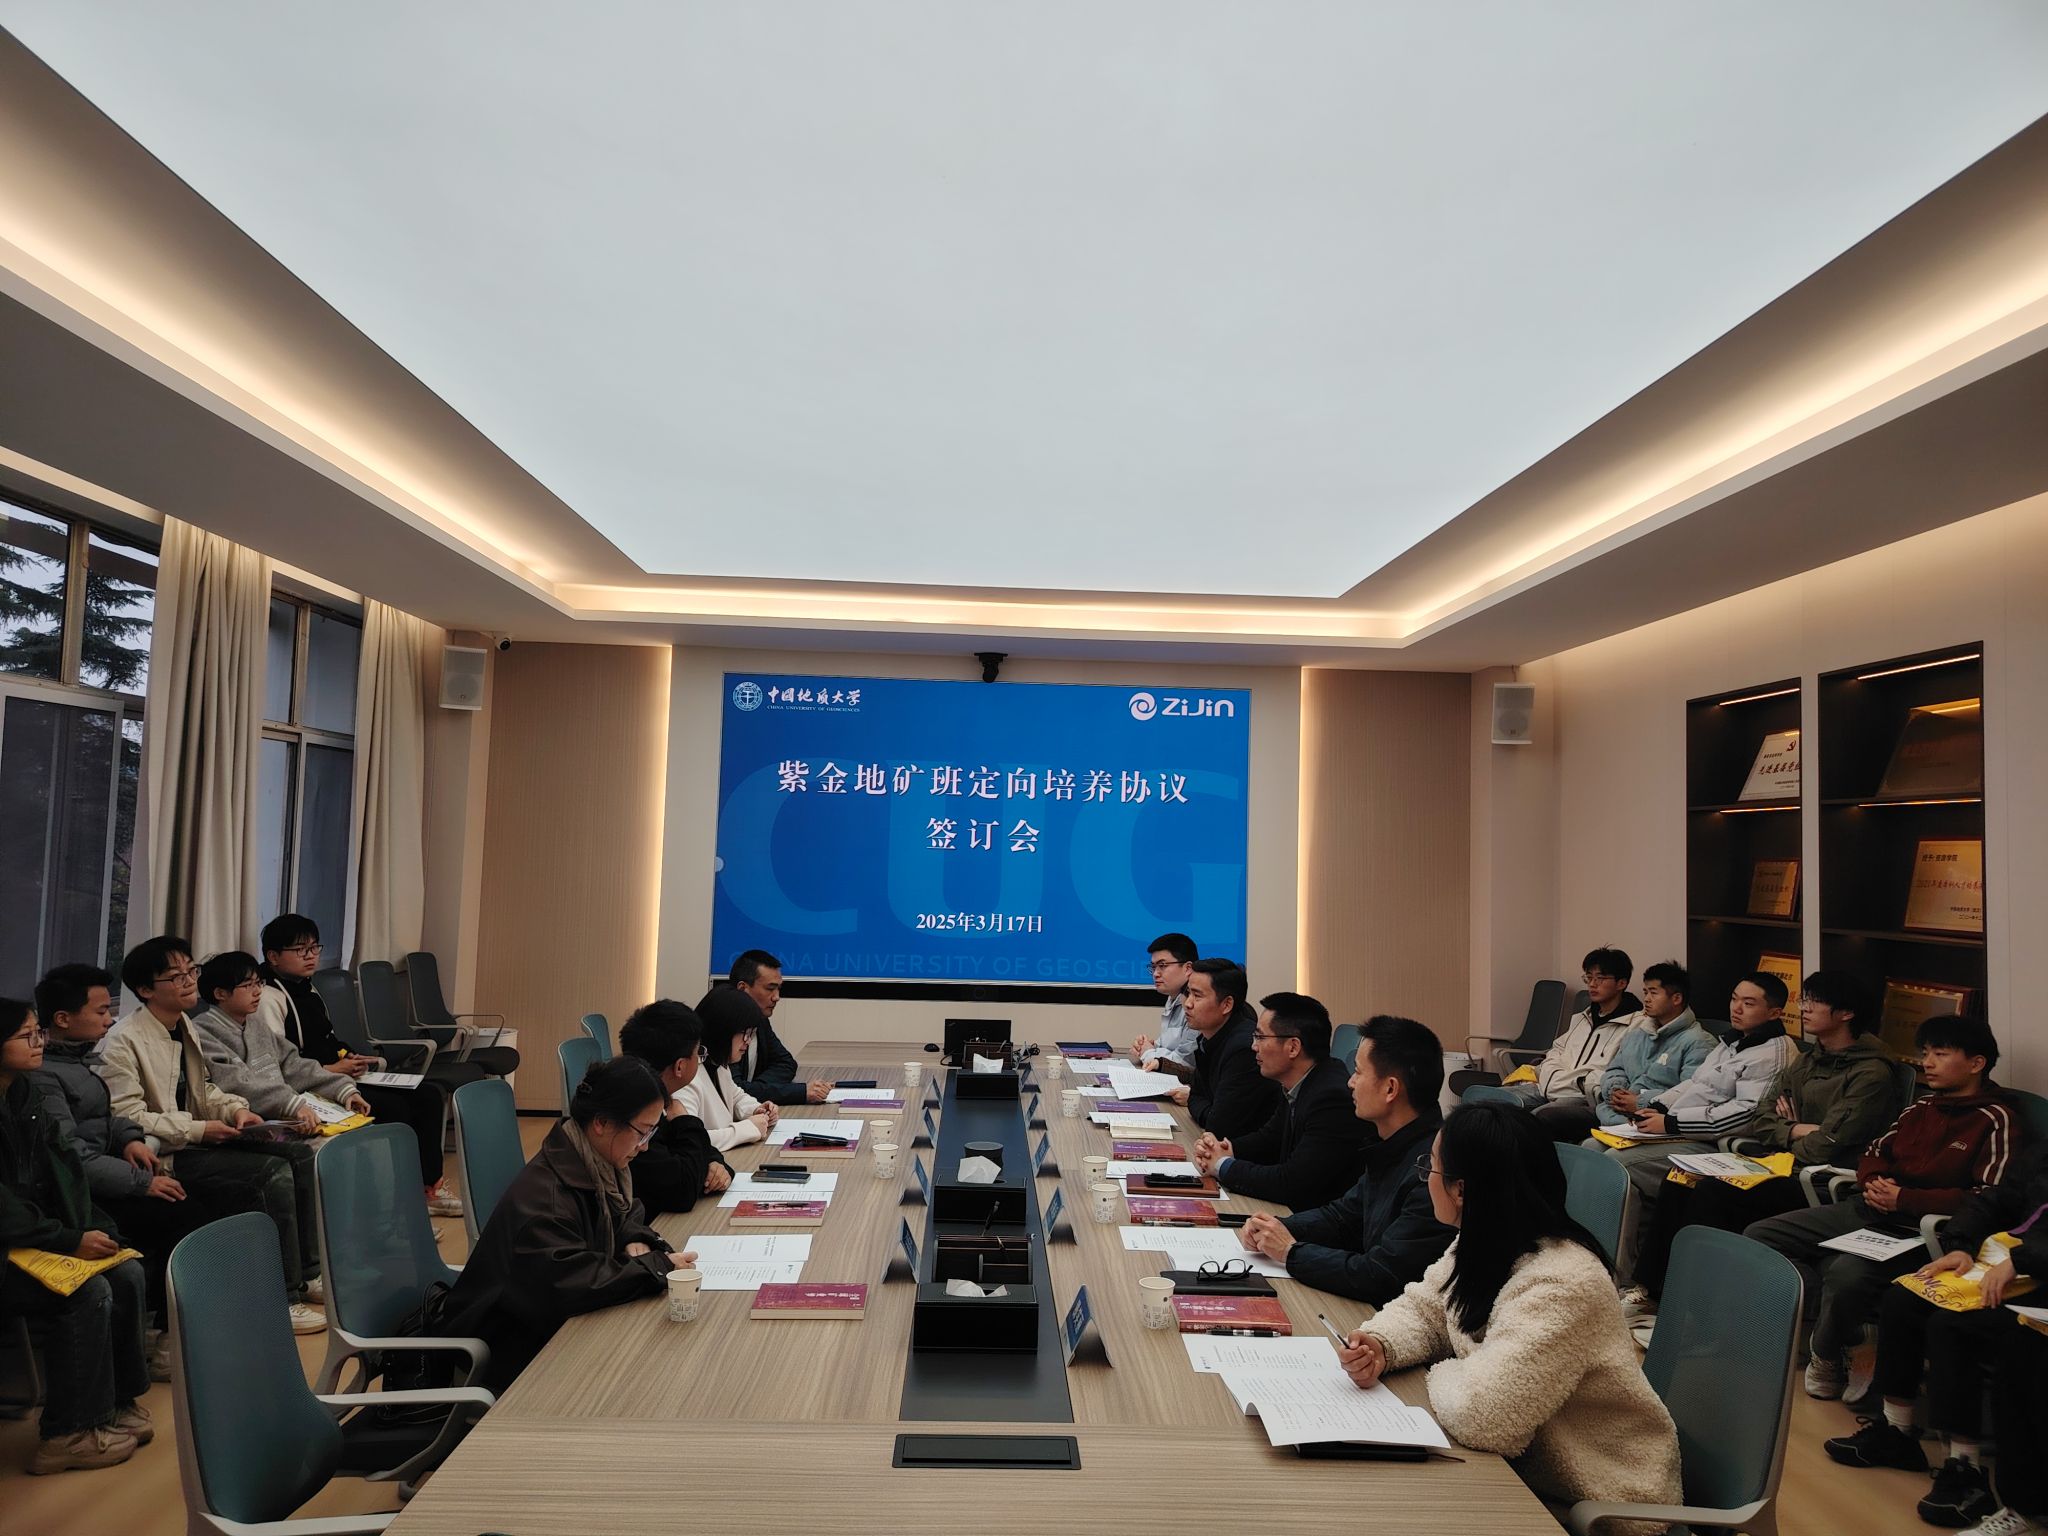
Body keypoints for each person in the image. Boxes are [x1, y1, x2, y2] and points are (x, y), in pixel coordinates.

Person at [1336, 1101, 1681, 1522]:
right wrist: (1382, 1344)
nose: (1427, 1179)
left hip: (1605, 1501)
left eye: (1432, 1168)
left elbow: (1485, 1418)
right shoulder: (1484, 1240)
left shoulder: (1564, 1283)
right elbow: (1428, 1309)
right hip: (1527, 1474)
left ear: (1461, 1190)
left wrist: (1444, 1368)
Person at [1748, 1013, 2018, 1401]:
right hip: (1871, 1208)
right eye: (1926, 1053)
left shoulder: (1997, 1118)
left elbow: (1989, 1195)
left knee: (1845, 1273)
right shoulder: (1921, 1106)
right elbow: (1875, 1152)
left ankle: (1827, 1351)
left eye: (1941, 1054)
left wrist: (1905, 1198)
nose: (1927, 1063)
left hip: (1925, 1230)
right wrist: (1874, 1180)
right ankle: (1843, 1330)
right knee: (1759, 1236)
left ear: (1976, 1063)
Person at [1626, 970, 1902, 1334]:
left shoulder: (1871, 1074)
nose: (1804, 1008)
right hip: (1779, 1162)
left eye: (1815, 1002)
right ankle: (1654, 1292)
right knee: (1681, 1179)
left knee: (1713, 1192)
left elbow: (1825, 1144)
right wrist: (1798, 1128)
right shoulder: (1810, 1059)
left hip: (1820, 1179)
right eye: (1804, 1000)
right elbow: (1763, 1119)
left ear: (1846, 1013)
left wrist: (1791, 1131)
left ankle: (1698, 1310)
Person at [96, 936, 326, 1334]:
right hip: (167, 1153)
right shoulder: (124, 1041)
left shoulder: (182, 1025)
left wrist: (236, 1110)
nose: (189, 981)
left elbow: (204, 1089)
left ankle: (308, 1273)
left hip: (196, 1137)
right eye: (176, 976)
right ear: (146, 990)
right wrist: (200, 1128)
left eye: (192, 971)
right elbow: (128, 1116)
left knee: (300, 1153)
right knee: (270, 1175)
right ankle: (282, 1297)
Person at [1821, 1135, 2048, 1530]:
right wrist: (1960, 1244)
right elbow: (1996, 1200)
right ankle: (1897, 1431)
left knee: (1955, 1326)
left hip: (2037, 1280)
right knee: (1904, 1297)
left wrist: (2022, 1260)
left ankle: (1965, 1469)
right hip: (2015, 1265)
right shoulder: (2042, 1152)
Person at [437, 1056, 692, 1393]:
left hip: (548, 1328)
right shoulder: (548, 1199)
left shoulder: (592, 1161)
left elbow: (626, 1212)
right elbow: (572, 1283)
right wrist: (656, 1266)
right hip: (507, 1357)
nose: (644, 1147)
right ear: (601, 1122)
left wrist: (633, 1237)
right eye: (642, 1132)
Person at [31, 963, 211, 1376]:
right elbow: (71, 1159)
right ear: (63, 1019)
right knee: (181, 1214)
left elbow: (103, 1118)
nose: (109, 1020)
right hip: (77, 1195)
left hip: (103, 1175)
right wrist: (141, 1183)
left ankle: (170, 1328)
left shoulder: (77, 1059)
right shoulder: (44, 1077)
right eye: (100, 1011)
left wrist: (129, 1138)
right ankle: (165, 1340)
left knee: (190, 1205)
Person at [0, 997, 154, 1473]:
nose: (38, 1042)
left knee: (125, 1271)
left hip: (32, 1237)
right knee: (86, 1291)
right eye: (26, 1035)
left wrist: (89, 1227)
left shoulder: (25, 1092)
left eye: (38, 1032)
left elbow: (63, 1169)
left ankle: (114, 1404)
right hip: (10, 1244)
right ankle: (66, 1434)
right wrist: (67, 1239)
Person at [254, 913, 460, 1214]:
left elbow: (326, 1037)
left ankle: (429, 1189)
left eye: (314, 948)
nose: (311, 956)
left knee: (428, 1095)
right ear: (273, 956)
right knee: (395, 1109)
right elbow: (279, 1064)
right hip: (310, 1086)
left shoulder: (306, 988)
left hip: (337, 1076)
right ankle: (396, 1202)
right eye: (300, 950)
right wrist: (330, 1070)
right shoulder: (268, 998)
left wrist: (348, 1056)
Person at [1599, 971, 1800, 1281]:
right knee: (1593, 1147)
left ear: (1774, 1013)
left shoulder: (1773, 1053)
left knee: (1616, 1165)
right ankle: (1597, 1258)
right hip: (1682, 1128)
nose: (1736, 1008)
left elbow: (1744, 1115)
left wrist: (1670, 1122)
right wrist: (1657, 1106)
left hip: (1717, 1142)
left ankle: (1620, 1273)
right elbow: (1695, 1083)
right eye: (1734, 999)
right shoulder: (1733, 1040)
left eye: (1748, 1003)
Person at [1239, 1014, 1456, 1302]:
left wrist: (1291, 1252)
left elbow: (1382, 1274)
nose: (1350, 1083)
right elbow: (1342, 1217)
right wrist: (1278, 1228)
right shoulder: (1392, 1145)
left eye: (1358, 1072)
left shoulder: (1431, 1170)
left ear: (1390, 1089)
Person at [1191, 992, 1368, 1209]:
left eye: (1260, 1037)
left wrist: (1222, 1165)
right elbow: (1270, 1138)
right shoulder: (1300, 1081)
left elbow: (1292, 1183)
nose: (1254, 1046)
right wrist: (1226, 1149)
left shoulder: (1331, 1099)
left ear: (1293, 1047)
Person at [1536, 960, 1708, 1143]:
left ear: (1676, 998)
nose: (1647, 999)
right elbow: (1615, 1069)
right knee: (1544, 1119)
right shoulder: (1638, 1033)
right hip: (1613, 1111)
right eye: (1645, 992)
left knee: (1587, 1144)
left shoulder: (1697, 1042)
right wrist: (1615, 1090)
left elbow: (1690, 1094)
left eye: (1653, 993)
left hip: (1651, 1119)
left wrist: (1640, 1101)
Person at [616, 999, 732, 1214]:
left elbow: (705, 1152)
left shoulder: (658, 1098)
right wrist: (684, 1121)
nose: (700, 1058)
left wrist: (715, 1164)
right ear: (680, 1066)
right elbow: (682, 1192)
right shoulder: (635, 1114)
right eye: (698, 1052)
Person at [1508, 946, 1642, 1104]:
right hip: (1548, 1088)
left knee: (1540, 1115)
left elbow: (1618, 1072)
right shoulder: (1582, 1018)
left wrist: (1577, 1083)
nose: (1592, 984)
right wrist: (1550, 1076)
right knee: (1489, 1099)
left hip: (1582, 1097)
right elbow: (1556, 1051)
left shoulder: (1636, 1025)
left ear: (1621, 983)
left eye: (1599, 978)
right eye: (1589, 978)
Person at [1167, 959, 1279, 1141]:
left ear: (1227, 1005)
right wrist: (1204, 1105)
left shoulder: (1244, 1049)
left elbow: (1218, 1126)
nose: (1188, 1003)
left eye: (1197, 996)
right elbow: (1195, 1095)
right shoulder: (1207, 1038)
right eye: (1188, 993)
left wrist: (1201, 1106)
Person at [720, 950, 829, 1106]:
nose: (776, 997)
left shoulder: (760, 1020)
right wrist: (800, 1092)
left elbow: (786, 1063)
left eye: (778, 989)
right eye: (770, 989)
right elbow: (734, 1090)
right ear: (743, 989)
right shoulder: (723, 1024)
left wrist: (757, 1088)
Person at [676, 987, 777, 1152]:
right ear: (723, 1030)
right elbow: (691, 1140)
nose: (748, 1041)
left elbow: (735, 1096)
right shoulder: (686, 1077)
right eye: (745, 1033)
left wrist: (756, 1109)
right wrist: (748, 1129)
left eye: (751, 1034)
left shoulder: (718, 1064)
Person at [1129, 931, 1199, 1079]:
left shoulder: (1196, 1004)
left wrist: (1148, 1053)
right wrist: (1147, 1046)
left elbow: (1186, 1064)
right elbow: (1168, 1046)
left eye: (1162, 965)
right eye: (1153, 967)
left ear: (1188, 968)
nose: (1155, 973)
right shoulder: (1173, 998)